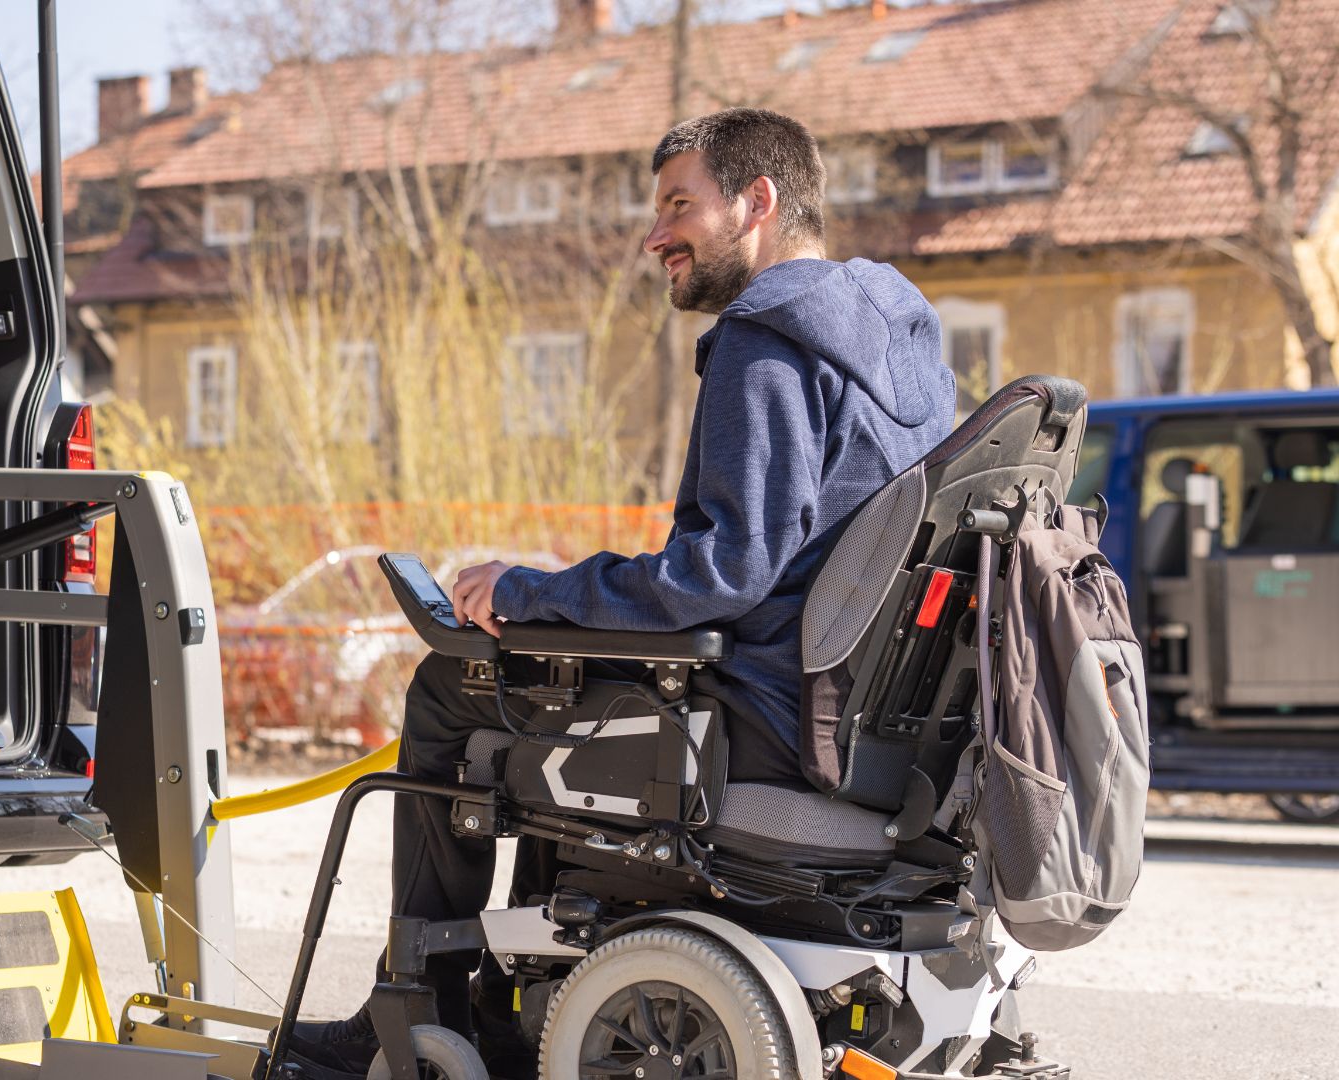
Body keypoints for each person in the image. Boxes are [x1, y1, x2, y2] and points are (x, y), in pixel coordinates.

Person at [285, 107, 957, 1078]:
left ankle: (424, 1008)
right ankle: (500, 998)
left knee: (455, 687)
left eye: (680, 205)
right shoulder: (901, 345)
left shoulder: (766, 346)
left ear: (756, 202)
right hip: (865, 724)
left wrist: (528, 590)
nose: (657, 235)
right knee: (545, 688)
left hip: (763, 718)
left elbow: (722, 576)